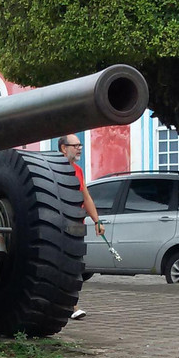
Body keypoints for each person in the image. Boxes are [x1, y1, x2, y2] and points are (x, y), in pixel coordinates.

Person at [58, 134, 104, 319]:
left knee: (74, 266)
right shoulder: (54, 170)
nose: (79, 148)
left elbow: (85, 196)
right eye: (75, 145)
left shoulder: (77, 170)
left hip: (76, 225)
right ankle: (71, 305)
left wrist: (97, 220)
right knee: (63, 265)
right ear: (63, 148)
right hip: (58, 226)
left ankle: (70, 304)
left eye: (80, 145)